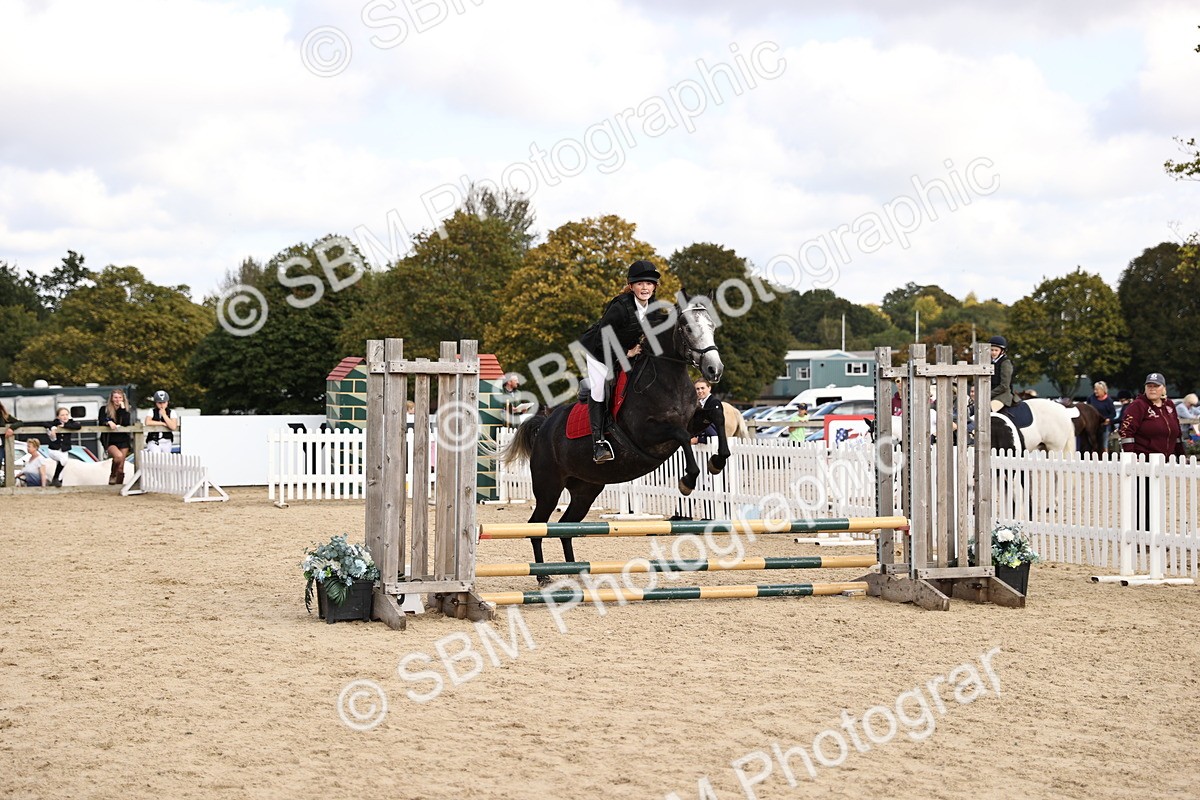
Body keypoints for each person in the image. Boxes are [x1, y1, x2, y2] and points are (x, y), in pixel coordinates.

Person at [577, 260, 668, 463]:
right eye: (640, 283)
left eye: (649, 283)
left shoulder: (653, 306)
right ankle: (598, 443)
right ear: (631, 285)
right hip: (599, 351)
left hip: (629, 350)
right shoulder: (620, 307)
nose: (645, 288)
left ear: (655, 286)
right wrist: (626, 352)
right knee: (600, 389)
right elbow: (602, 338)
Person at [98, 388, 132, 485]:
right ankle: (113, 474)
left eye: (120, 397)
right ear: (112, 398)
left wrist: (122, 409)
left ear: (123, 398)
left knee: (121, 468)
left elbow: (126, 423)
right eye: (115, 397)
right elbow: (101, 420)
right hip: (110, 439)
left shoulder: (125, 410)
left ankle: (118, 486)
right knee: (118, 456)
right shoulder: (104, 409)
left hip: (123, 439)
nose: (118, 400)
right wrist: (108, 422)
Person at [44, 406, 82, 487]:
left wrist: (65, 426)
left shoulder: (70, 423)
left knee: (63, 464)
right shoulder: (55, 422)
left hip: (64, 449)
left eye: (66, 415)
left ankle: (58, 481)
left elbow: (78, 426)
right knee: (63, 460)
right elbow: (45, 423)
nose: (65, 417)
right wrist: (52, 427)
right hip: (54, 449)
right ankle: (55, 478)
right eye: (62, 415)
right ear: (58, 417)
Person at [988, 335, 1015, 412]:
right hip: (991, 394)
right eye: (991, 350)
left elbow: (1004, 386)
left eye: (996, 350)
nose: (993, 352)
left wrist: (988, 394)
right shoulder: (989, 362)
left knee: (989, 409)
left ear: (1002, 351)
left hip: (1002, 395)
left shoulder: (1005, 363)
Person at [691, 379, 720, 444]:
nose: (700, 391)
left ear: (709, 388)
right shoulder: (698, 403)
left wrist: (698, 440)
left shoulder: (714, 403)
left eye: (702, 388)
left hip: (711, 443)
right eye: (697, 389)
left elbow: (713, 433)